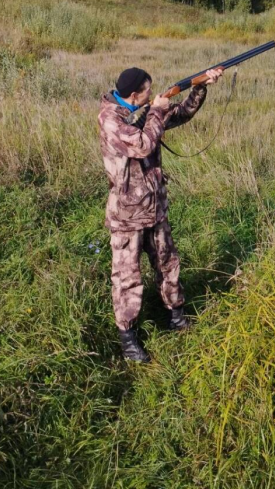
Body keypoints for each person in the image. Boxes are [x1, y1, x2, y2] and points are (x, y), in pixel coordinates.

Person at [97, 65, 224, 362]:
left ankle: (177, 316)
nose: (152, 96)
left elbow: (180, 114)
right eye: (147, 92)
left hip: (155, 207)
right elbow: (142, 145)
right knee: (127, 277)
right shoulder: (111, 119)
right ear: (132, 95)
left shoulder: (144, 109)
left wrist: (201, 86)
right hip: (128, 213)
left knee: (168, 263)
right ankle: (128, 339)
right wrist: (156, 111)